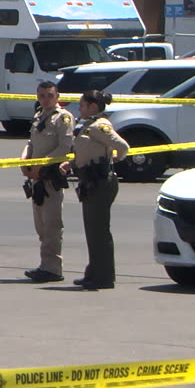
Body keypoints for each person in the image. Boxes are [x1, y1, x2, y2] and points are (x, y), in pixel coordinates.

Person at [60, 90, 130, 290]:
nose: (80, 108)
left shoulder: (100, 126)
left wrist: (114, 159)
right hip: (89, 181)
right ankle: (94, 272)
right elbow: (85, 151)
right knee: (92, 231)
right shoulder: (89, 126)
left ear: (93, 106)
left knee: (99, 231)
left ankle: (104, 277)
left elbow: (122, 146)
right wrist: (70, 164)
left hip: (100, 182)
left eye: (82, 105)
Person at [20, 80, 74, 283]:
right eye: (42, 95)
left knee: (52, 224)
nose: (46, 99)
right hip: (36, 178)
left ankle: (52, 268)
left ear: (57, 96)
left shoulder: (64, 118)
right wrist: (24, 160)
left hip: (51, 175)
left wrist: (41, 166)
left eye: (50, 95)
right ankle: (45, 264)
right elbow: (31, 143)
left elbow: (65, 147)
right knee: (41, 225)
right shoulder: (39, 117)